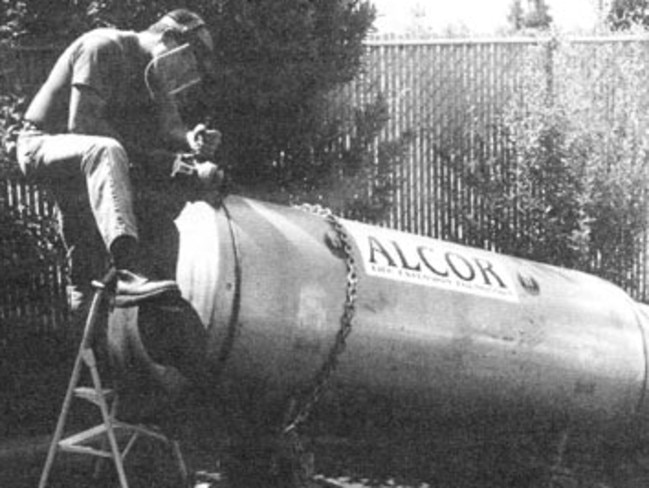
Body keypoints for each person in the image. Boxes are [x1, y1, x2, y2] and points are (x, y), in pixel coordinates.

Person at [15, 9, 221, 313]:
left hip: (94, 166)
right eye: (191, 57)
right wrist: (166, 164)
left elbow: (172, 129)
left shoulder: (153, 75)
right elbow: (82, 126)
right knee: (107, 150)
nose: (190, 69)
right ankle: (128, 269)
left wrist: (192, 140)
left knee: (143, 236)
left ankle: (160, 320)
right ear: (168, 39)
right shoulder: (103, 47)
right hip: (42, 144)